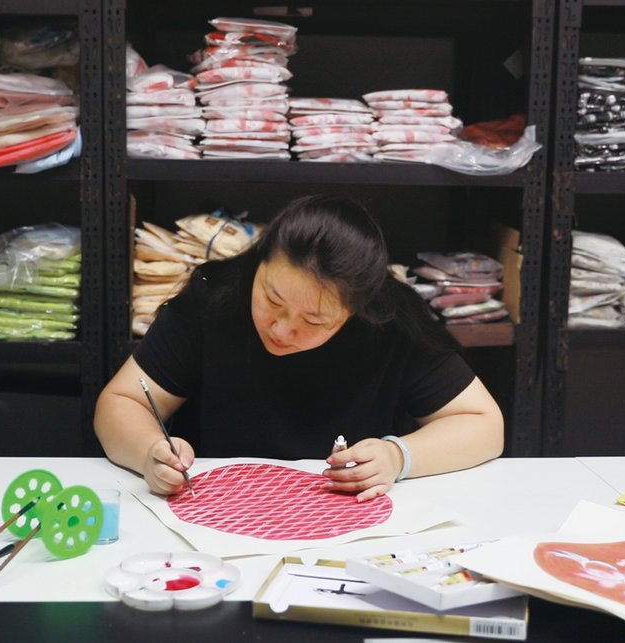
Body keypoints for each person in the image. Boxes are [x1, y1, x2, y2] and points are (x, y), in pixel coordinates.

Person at [95, 195, 503, 501]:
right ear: (259, 263)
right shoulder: (214, 298)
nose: (282, 329)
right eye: (272, 299)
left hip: (349, 517)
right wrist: (150, 452)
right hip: (215, 511)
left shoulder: (391, 319)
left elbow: (485, 425)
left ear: (356, 312)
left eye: (314, 321)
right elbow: (122, 401)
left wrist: (399, 456)